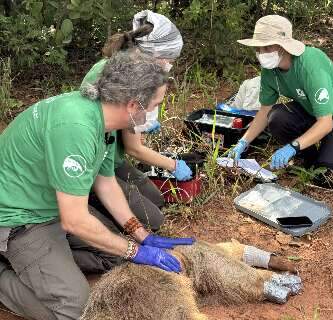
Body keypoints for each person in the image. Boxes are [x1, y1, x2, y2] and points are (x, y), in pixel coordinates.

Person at [0, 50, 195, 320]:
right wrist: (135, 250)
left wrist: (141, 236)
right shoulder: (76, 126)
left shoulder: (103, 121)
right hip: (19, 218)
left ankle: (44, 264)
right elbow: (75, 221)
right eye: (154, 105)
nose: (155, 112)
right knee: (73, 308)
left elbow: (106, 184)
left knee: (117, 259)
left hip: (54, 206)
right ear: (132, 104)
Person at [82, 10, 192, 231]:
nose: (169, 65)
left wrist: (140, 124)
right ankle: (91, 199)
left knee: (156, 199)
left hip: (111, 155)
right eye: (169, 60)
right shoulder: (122, 77)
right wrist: (173, 165)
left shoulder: (129, 67)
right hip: (93, 161)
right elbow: (134, 148)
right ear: (155, 55)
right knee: (154, 220)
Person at [229, 15, 333, 179]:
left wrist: (292, 147)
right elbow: (264, 111)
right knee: (277, 117)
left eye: (266, 47)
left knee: (329, 176)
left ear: (283, 46)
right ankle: (310, 156)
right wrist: (243, 143)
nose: (261, 53)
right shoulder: (270, 69)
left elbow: (325, 123)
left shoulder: (310, 65)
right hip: (311, 110)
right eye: (258, 48)